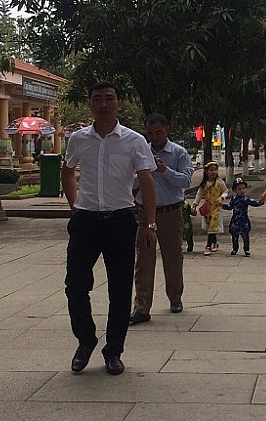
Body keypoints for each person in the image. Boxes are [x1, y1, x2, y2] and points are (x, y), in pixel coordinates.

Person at [61, 81, 157, 376]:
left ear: (119, 103)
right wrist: (75, 206)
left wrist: (150, 224)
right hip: (86, 222)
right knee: (75, 286)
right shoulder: (78, 139)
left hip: (120, 221)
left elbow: (147, 182)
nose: (103, 104)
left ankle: (113, 350)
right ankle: (85, 339)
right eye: (97, 99)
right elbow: (67, 171)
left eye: (109, 98)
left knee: (119, 290)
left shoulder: (134, 141)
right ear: (90, 104)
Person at [129, 113, 193, 325]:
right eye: (150, 133)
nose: (154, 137)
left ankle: (175, 297)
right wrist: (143, 173)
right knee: (144, 260)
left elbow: (185, 181)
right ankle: (141, 307)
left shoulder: (178, 153)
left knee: (173, 257)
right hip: (145, 212)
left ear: (167, 129)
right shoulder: (140, 152)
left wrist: (165, 170)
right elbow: (130, 181)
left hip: (170, 212)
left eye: (158, 132)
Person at [191, 161, 228, 255]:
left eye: (215, 170)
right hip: (207, 208)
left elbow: (225, 191)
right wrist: (195, 204)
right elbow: (199, 195)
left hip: (217, 208)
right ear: (206, 172)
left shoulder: (220, 182)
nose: (213, 172)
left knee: (212, 225)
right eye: (211, 170)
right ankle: (214, 242)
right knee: (210, 227)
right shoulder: (204, 184)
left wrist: (221, 197)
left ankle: (208, 246)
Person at [222, 177, 264, 256]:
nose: (242, 190)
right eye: (239, 189)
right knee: (234, 237)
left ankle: (246, 249)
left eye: (243, 188)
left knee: (245, 236)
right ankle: (235, 249)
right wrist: (222, 205)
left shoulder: (246, 199)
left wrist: (261, 201)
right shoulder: (234, 199)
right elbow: (230, 207)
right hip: (235, 221)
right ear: (235, 190)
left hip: (244, 221)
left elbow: (254, 203)